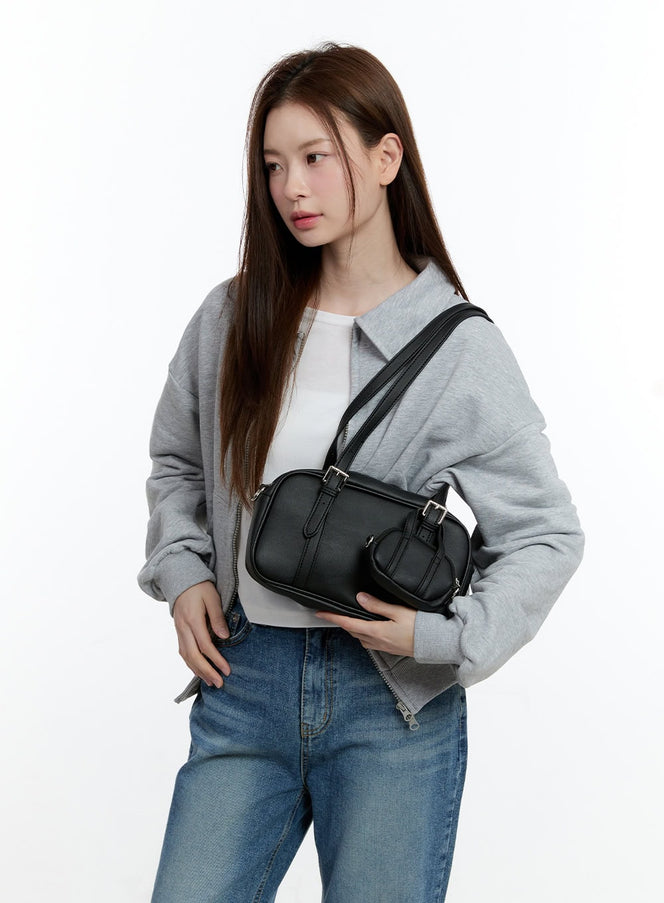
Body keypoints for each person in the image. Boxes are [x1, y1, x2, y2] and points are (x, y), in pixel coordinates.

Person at [138, 43, 584, 903]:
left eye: (316, 157)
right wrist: (184, 568)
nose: (291, 188)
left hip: (390, 705)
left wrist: (442, 638)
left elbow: (545, 534)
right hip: (244, 677)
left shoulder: (458, 347)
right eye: (274, 165)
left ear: (386, 158)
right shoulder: (233, 316)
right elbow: (177, 462)